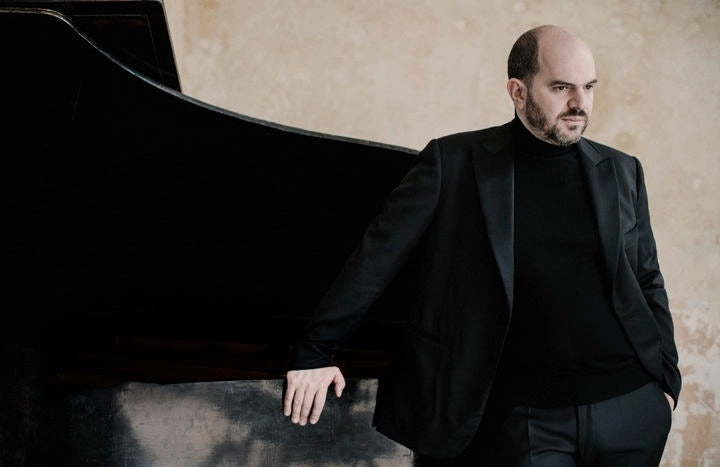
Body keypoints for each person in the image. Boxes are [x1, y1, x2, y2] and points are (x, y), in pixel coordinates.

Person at [282, 24, 681, 466]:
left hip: (631, 407)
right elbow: (374, 260)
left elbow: (647, 277)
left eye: (588, 87)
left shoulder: (622, 170)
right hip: (528, 420)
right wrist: (314, 352)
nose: (579, 103)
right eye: (561, 87)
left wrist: (666, 383)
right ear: (518, 91)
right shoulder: (452, 163)